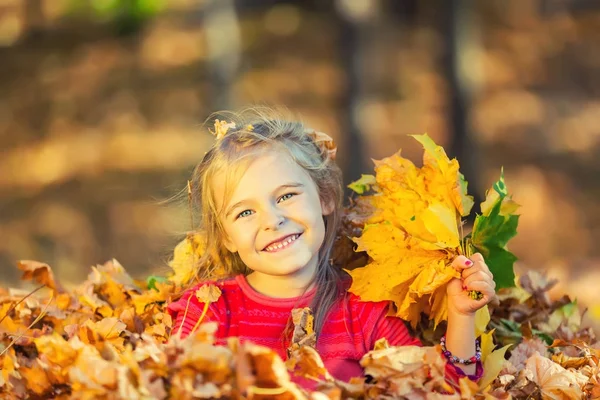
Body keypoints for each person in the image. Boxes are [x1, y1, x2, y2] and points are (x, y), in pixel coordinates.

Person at [167, 109, 496, 387]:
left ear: (324, 197)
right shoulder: (209, 309)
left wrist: (460, 315)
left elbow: (441, 389)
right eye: (245, 212)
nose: (272, 221)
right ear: (226, 236)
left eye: (286, 196)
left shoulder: (362, 312)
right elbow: (172, 385)